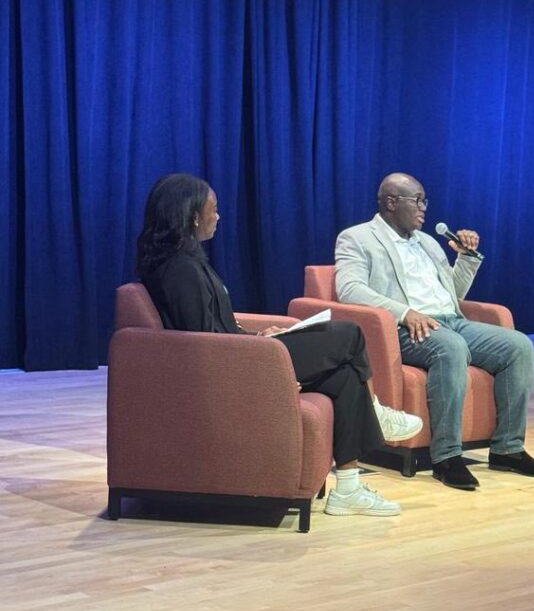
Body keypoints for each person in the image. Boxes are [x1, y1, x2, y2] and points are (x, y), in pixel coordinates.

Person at [136, 173, 423, 516]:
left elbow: (213, 328)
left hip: (242, 357)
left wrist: (255, 337)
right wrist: (257, 348)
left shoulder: (189, 260)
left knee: (345, 377)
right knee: (348, 333)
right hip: (232, 371)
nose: (218, 216)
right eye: (214, 209)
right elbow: (202, 343)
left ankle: (348, 489)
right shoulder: (179, 268)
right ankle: (375, 411)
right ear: (193, 215)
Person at [334, 172, 534, 491]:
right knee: (450, 347)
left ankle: (508, 449)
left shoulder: (428, 242)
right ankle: (447, 457)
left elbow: (452, 294)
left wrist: (466, 259)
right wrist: (404, 312)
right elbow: (349, 290)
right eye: (417, 200)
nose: (424, 208)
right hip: (403, 327)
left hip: (450, 320)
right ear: (390, 202)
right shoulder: (357, 238)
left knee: (519, 346)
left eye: (425, 200)